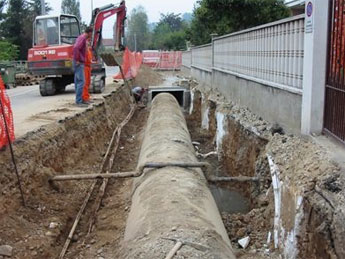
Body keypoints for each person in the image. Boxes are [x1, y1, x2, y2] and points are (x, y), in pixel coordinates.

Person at [73, 27, 93, 107]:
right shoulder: (82, 38)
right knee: (81, 82)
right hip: (79, 62)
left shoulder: (82, 38)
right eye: (91, 33)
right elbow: (76, 48)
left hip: (79, 62)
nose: (91, 35)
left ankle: (81, 99)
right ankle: (79, 101)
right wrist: (77, 59)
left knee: (79, 82)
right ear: (89, 32)